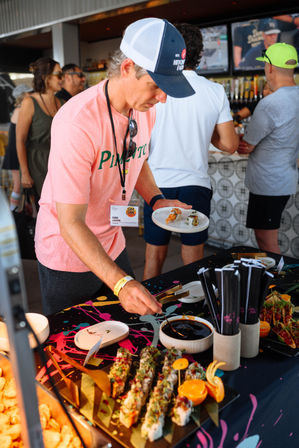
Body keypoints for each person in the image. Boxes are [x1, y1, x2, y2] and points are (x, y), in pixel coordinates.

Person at [35, 17, 195, 316]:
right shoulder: (76, 122)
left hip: (112, 241)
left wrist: (157, 199)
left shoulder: (145, 109)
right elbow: (70, 222)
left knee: (130, 331)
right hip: (67, 251)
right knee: (69, 348)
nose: (162, 97)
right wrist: (121, 283)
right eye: (156, 85)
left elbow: (137, 156)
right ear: (127, 69)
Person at [143, 23, 239, 280]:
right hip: (195, 184)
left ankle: (144, 315)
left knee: (154, 257)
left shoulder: (153, 88)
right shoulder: (215, 91)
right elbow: (230, 144)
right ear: (199, 54)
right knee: (193, 260)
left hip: (155, 185)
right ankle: (196, 312)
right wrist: (205, 134)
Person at [237, 43, 299, 254]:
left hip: (268, 182)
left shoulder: (270, 104)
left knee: (266, 242)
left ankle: (279, 284)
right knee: (267, 238)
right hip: (286, 178)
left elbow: (246, 146)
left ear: (270, 68)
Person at [16, 57, 64, 199]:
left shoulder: (61, 102)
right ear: (45, 77)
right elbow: (20, 140)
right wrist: (24, 173)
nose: (62, 79)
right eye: (59, 74)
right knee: (43, 206)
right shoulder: (29, 102)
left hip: (57, 161)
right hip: (36, 162)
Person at [2, 84, 33, 209]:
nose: (32, 95)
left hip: (14, 151)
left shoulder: (19, 109)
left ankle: (16, 212)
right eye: (29, 93)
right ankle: (13, 213)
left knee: (19, 185)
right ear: (24, 96)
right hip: (15, 152)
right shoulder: (20, 110)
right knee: (17, 186)